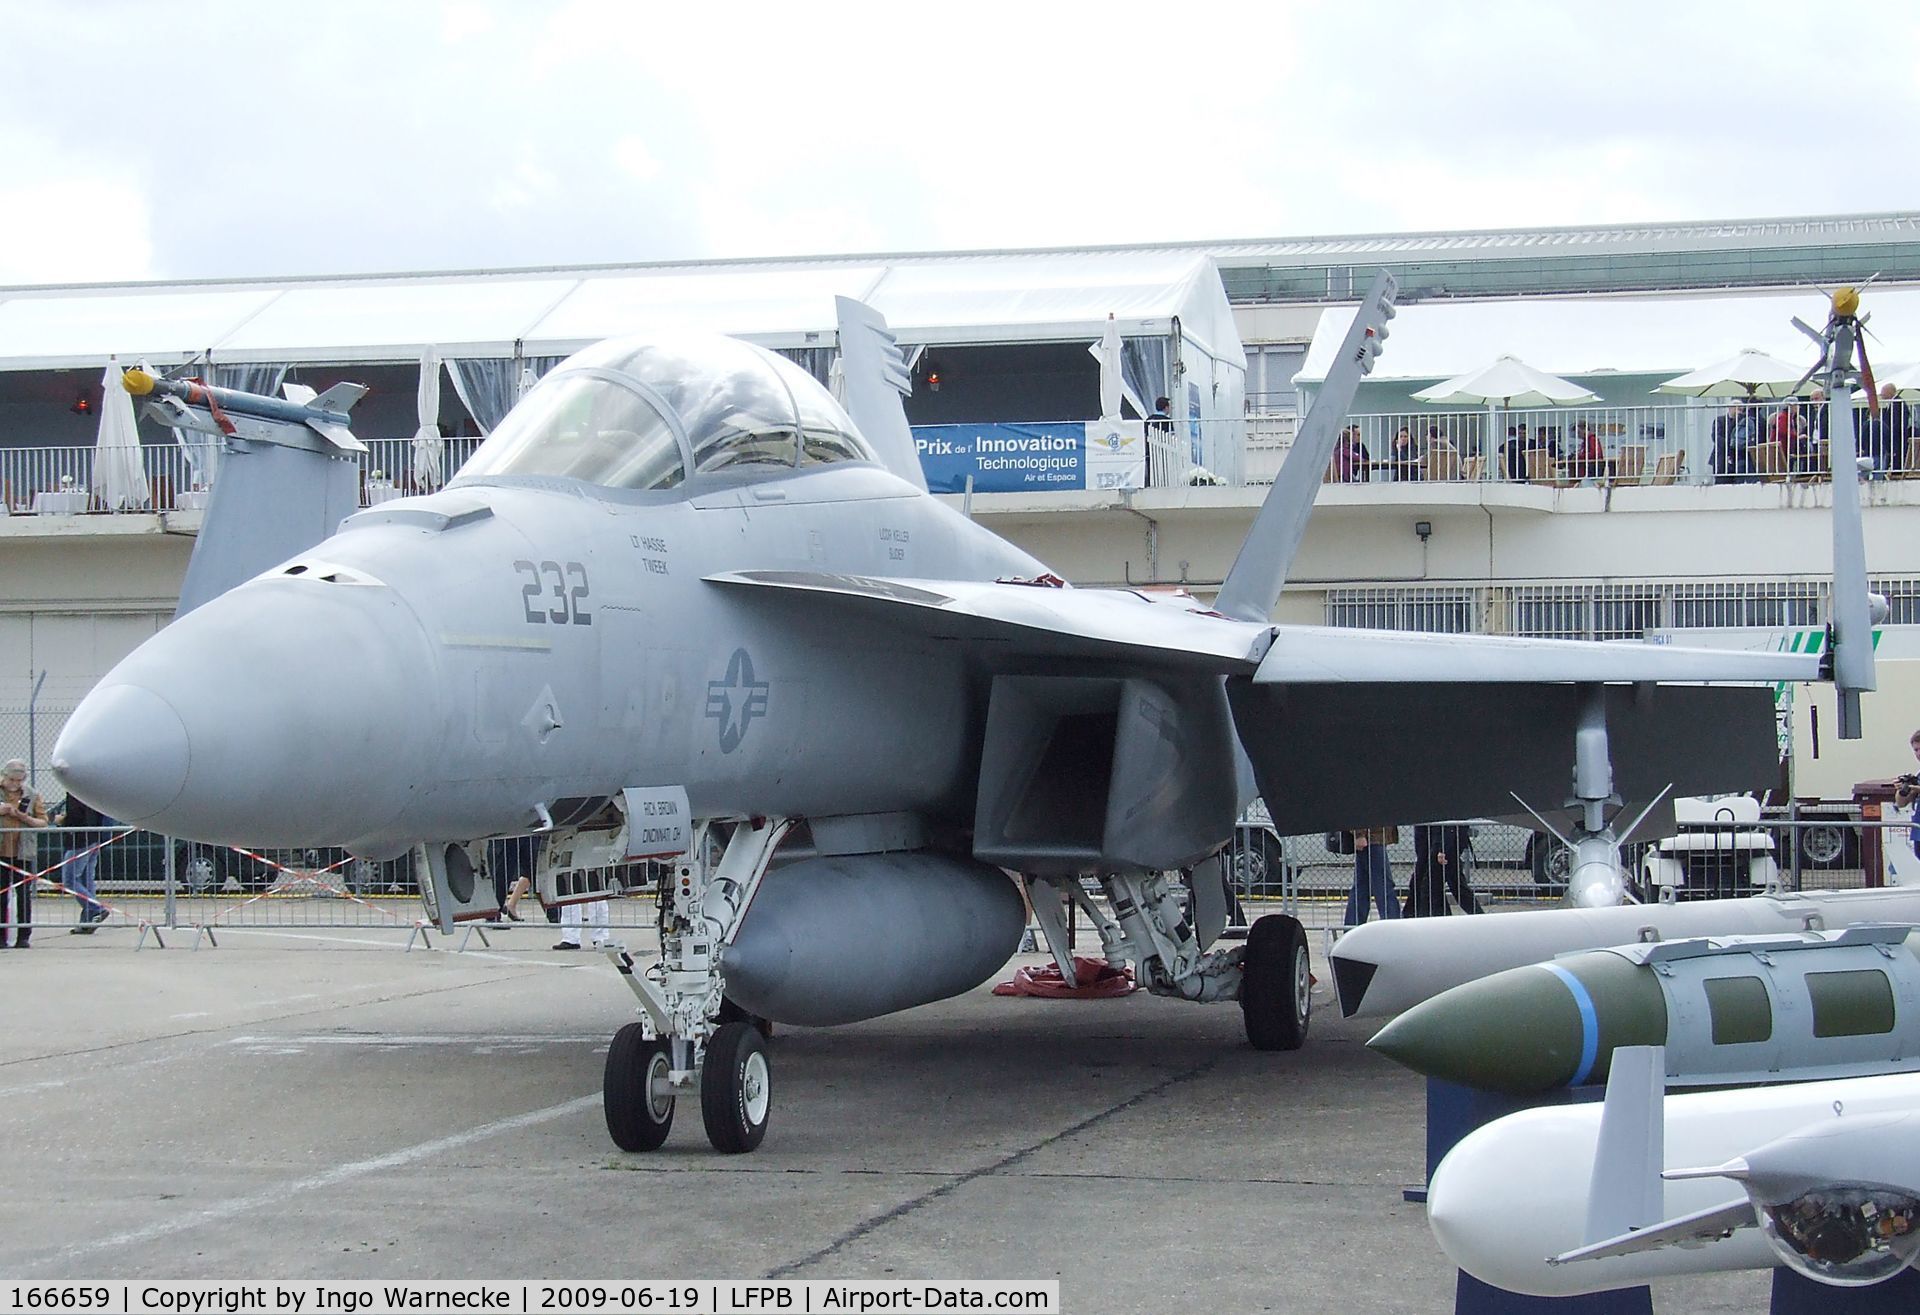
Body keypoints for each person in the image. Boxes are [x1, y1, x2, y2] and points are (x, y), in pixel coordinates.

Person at [1, 759, 48, 948]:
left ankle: (24, 936)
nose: (15, 784)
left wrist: (23, 817)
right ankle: (1, 937)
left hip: (23, 852)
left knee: (24, 895)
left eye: (19, 781)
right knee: (1, 894)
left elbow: (43, 822)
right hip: (2, 853)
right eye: (11, 780)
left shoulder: (32, 794)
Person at [54, 792, 110, 932]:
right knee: (86, 880)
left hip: (79, 841)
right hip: (93, 837)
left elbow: (76, 816)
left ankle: (95, 908)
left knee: (70, 880)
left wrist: (63, 820)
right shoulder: (93, 792)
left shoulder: (76, 792)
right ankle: (87, 922)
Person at [1403, 822, 1481, 917]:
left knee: (1433, 886)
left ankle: (1477, 916)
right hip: (1434, 844)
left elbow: (1447, 823)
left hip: (1442, 844)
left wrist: (1442, 848)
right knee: (1432, 885)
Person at [1343, 826, 1399, 926]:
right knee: (1384, 888)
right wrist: (1359, 834)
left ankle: (1352, 928)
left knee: (1362, 889)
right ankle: (1393, 927)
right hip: (1372, 837)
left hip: (1374, 837)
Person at [1894, 728, 1920, 866]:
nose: (1919, 754)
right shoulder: (1918, 775)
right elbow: (1901, 803)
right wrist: (1902, 789)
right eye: (1916, 750)